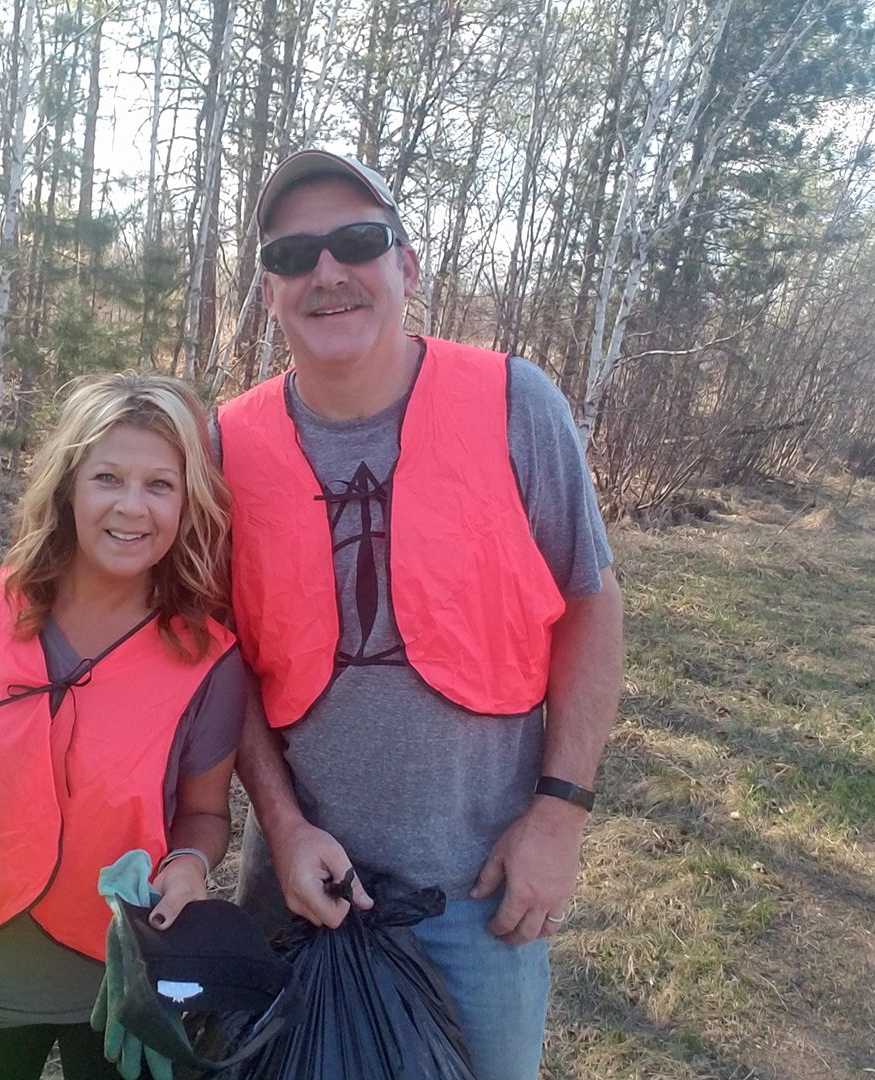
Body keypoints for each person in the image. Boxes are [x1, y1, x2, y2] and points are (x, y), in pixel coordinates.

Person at [217, 150, 624, 1080]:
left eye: (358, 241)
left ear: (407, 265)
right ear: (270, 292)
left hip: (481, 900)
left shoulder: (517, 404)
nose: (327, 272)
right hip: (295, 890)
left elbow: (590, 609)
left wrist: (559, 818)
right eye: (293, 255)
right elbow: (218, 660)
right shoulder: (223, 445)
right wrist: (280, 827)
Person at [0, 373, 247, 1080]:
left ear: (188, 505)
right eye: (108, 478)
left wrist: (188, 866)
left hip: (122, 988)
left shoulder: (206, 659)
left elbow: (205, 814)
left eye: (160, 485)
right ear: (68, 486)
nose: (133, 507)